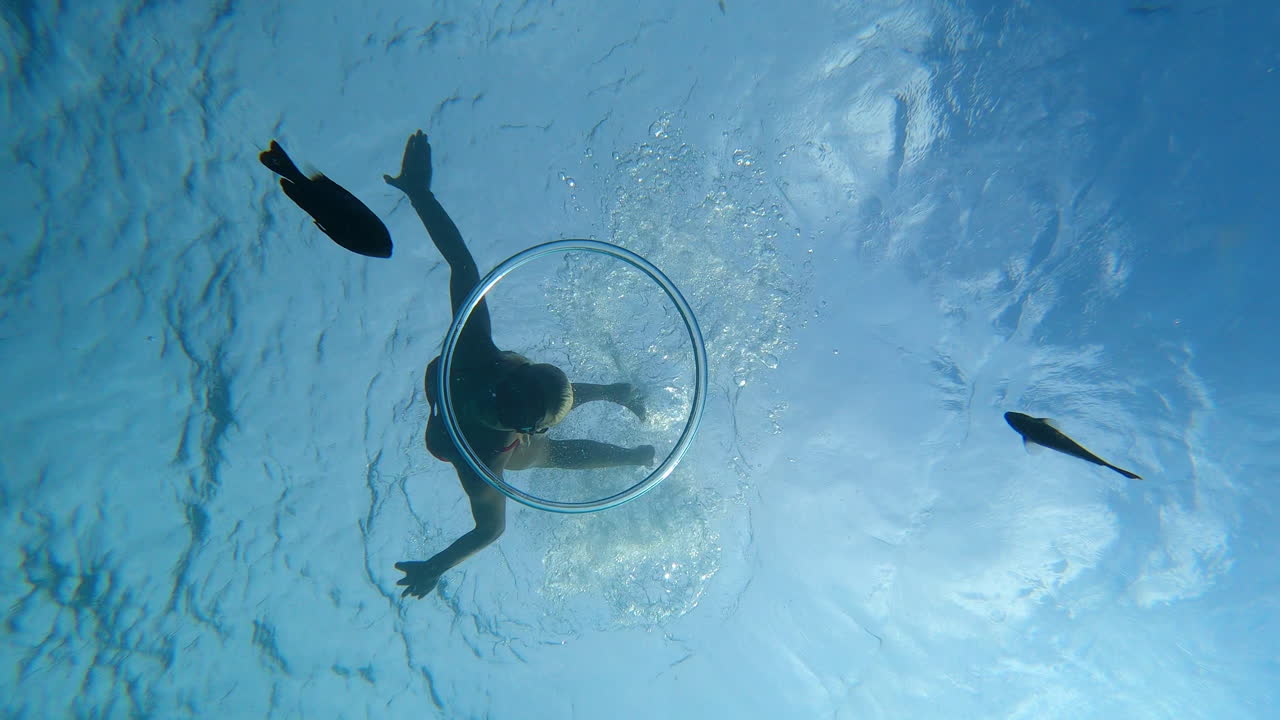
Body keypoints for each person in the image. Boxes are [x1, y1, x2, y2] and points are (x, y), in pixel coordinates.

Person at [384, 131, 653, 599]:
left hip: (523, 435)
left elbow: (490, 531)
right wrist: (420, 193)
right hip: (522, 397)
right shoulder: (474, 349)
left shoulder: (485, 460)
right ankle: (614, 395)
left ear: (521, 427)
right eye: (507, 389)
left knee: (553, 453)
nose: (495, 402)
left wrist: (437, 565)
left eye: (511, 411)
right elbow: (461, 262)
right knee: (551, 405)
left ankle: (630, 455)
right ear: (510, 369)